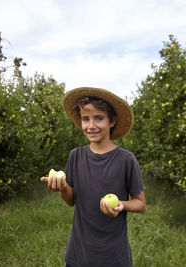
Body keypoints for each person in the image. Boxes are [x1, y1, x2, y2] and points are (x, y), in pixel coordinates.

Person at [41, 87, 146, 267]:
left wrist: (122, 205)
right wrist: (63, 187)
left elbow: (140, 203)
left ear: (111, 121)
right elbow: (70, 201)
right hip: (79, 255)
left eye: (98, 118)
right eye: (85, 119)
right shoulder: (76, 156)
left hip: (114, 257)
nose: (91, 126)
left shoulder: (126, 160)